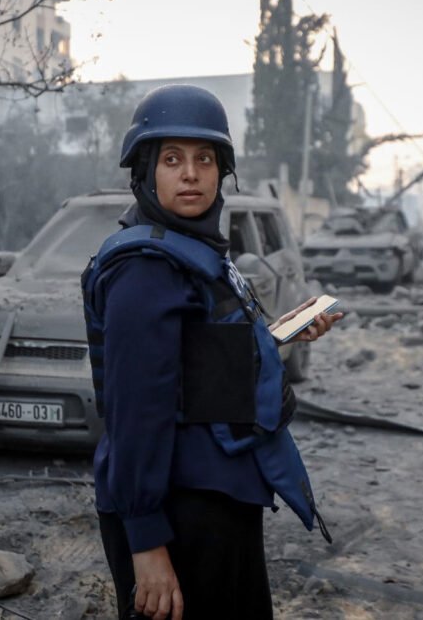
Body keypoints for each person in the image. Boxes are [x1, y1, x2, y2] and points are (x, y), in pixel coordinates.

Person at [82, 84, 341, 620]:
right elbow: (135, 414)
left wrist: (281, 337)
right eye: (172, 158)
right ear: (145, 171)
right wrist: (147, 541)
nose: (191, 173)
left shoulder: (192, 249)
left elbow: (199, 367)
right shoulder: (145, 271)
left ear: (222, 171)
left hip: (218, 495)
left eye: (205, 158)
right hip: (180, 509)